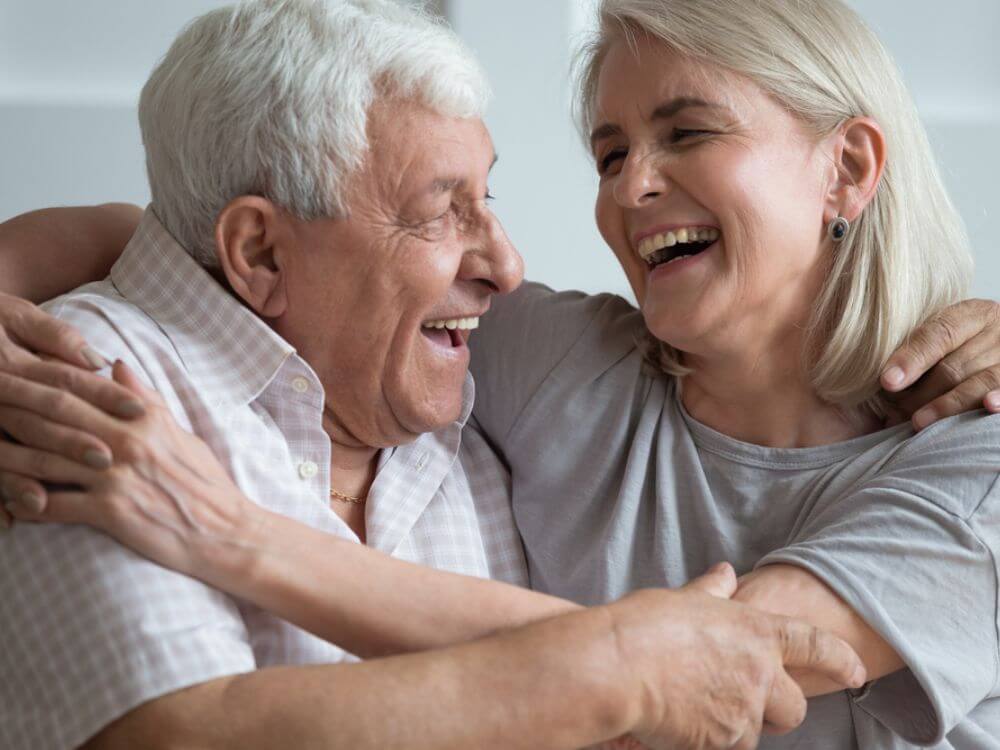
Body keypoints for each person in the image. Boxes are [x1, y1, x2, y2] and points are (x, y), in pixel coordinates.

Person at [2, 0, 1000, 748]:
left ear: (848, 170)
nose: (630, 187)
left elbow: (725, 662)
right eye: (610, 152)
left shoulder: (976, 461)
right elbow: (288, 263)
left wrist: (226, 534)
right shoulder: (565, 366)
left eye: (687, 131)